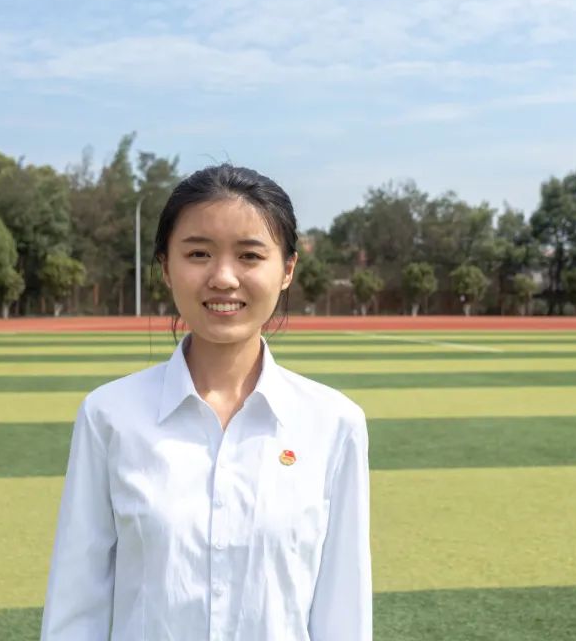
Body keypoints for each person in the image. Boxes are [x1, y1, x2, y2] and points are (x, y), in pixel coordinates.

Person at [39, 164, 371, 640]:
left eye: (250, 255)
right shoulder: (109, 416)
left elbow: (344, 612)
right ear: (165, 268)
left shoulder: (334, 423)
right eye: (198, 254)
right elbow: (77, 607)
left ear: (287, 270)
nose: (223, 278)